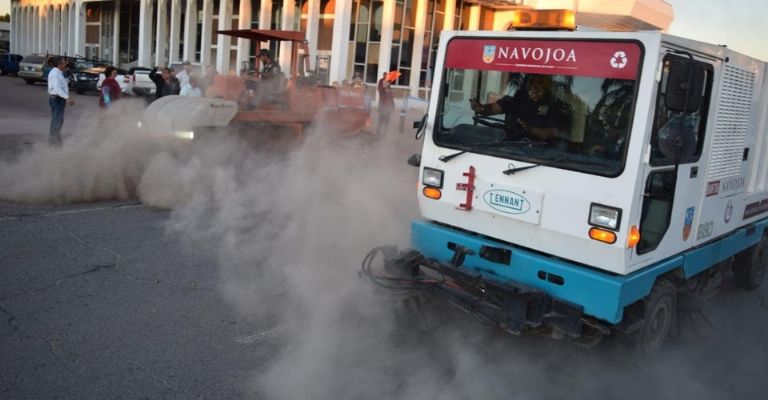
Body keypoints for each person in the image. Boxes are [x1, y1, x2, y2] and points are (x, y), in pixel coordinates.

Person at [469, 74, 569, 142]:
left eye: (539, 83)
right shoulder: (519, 96)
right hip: (509, 144)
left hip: (539, 152)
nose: (534, 87)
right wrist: (480, 109)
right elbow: (495, 108)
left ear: (548, 85)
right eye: (531, 82)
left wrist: (530, 129)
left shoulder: (556, 105)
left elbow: (550, 134)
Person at [47, 57, 74, 147]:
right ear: (59, 64)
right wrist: (67, 98)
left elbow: (62, 85)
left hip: (59, 99)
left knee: (59, 120)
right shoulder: (55, 73)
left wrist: (68, 78)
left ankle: (56, 141)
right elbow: (57, 88)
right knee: (57, 120)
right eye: (64, 63)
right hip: (57, 99)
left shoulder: (59, 73)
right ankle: (53, 142)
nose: (65, 64)